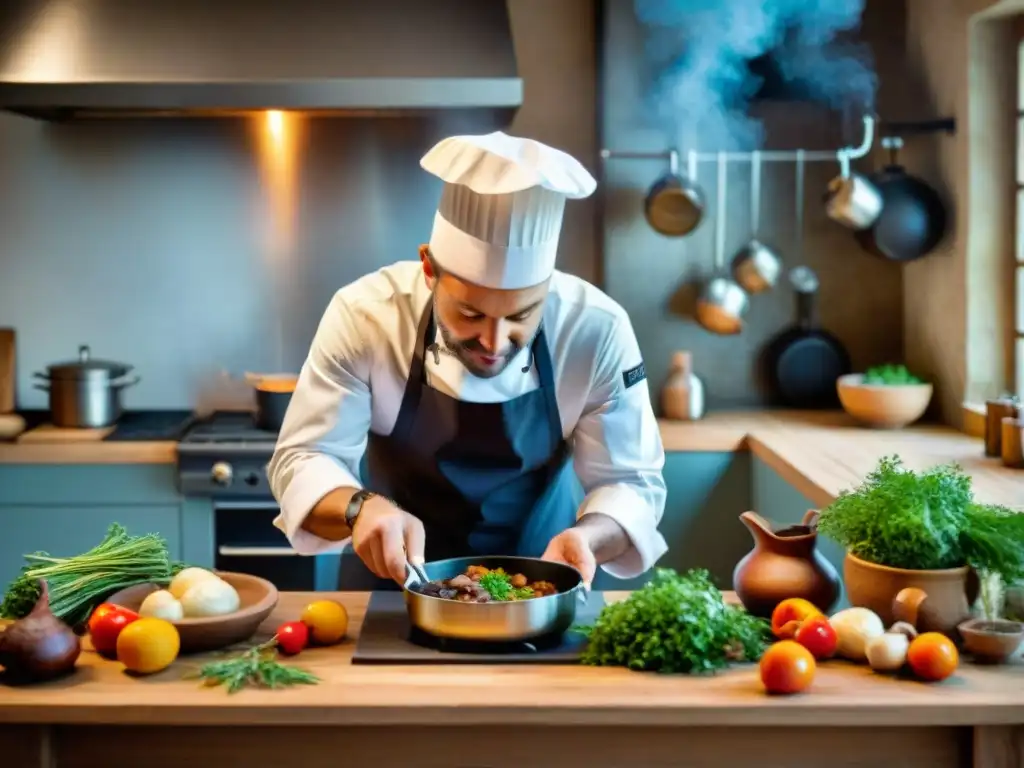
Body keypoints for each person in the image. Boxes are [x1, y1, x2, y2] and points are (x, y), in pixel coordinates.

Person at [267, 131, 667, 590]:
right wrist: (359, 508)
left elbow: (632, 483)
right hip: (389, 592)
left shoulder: (596, 330)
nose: (494, 340)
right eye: (470, 313)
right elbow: (303, 457)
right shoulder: (366, 318)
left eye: (521, 315)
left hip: (537, 592)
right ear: (429, 268)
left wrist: (591, 538)